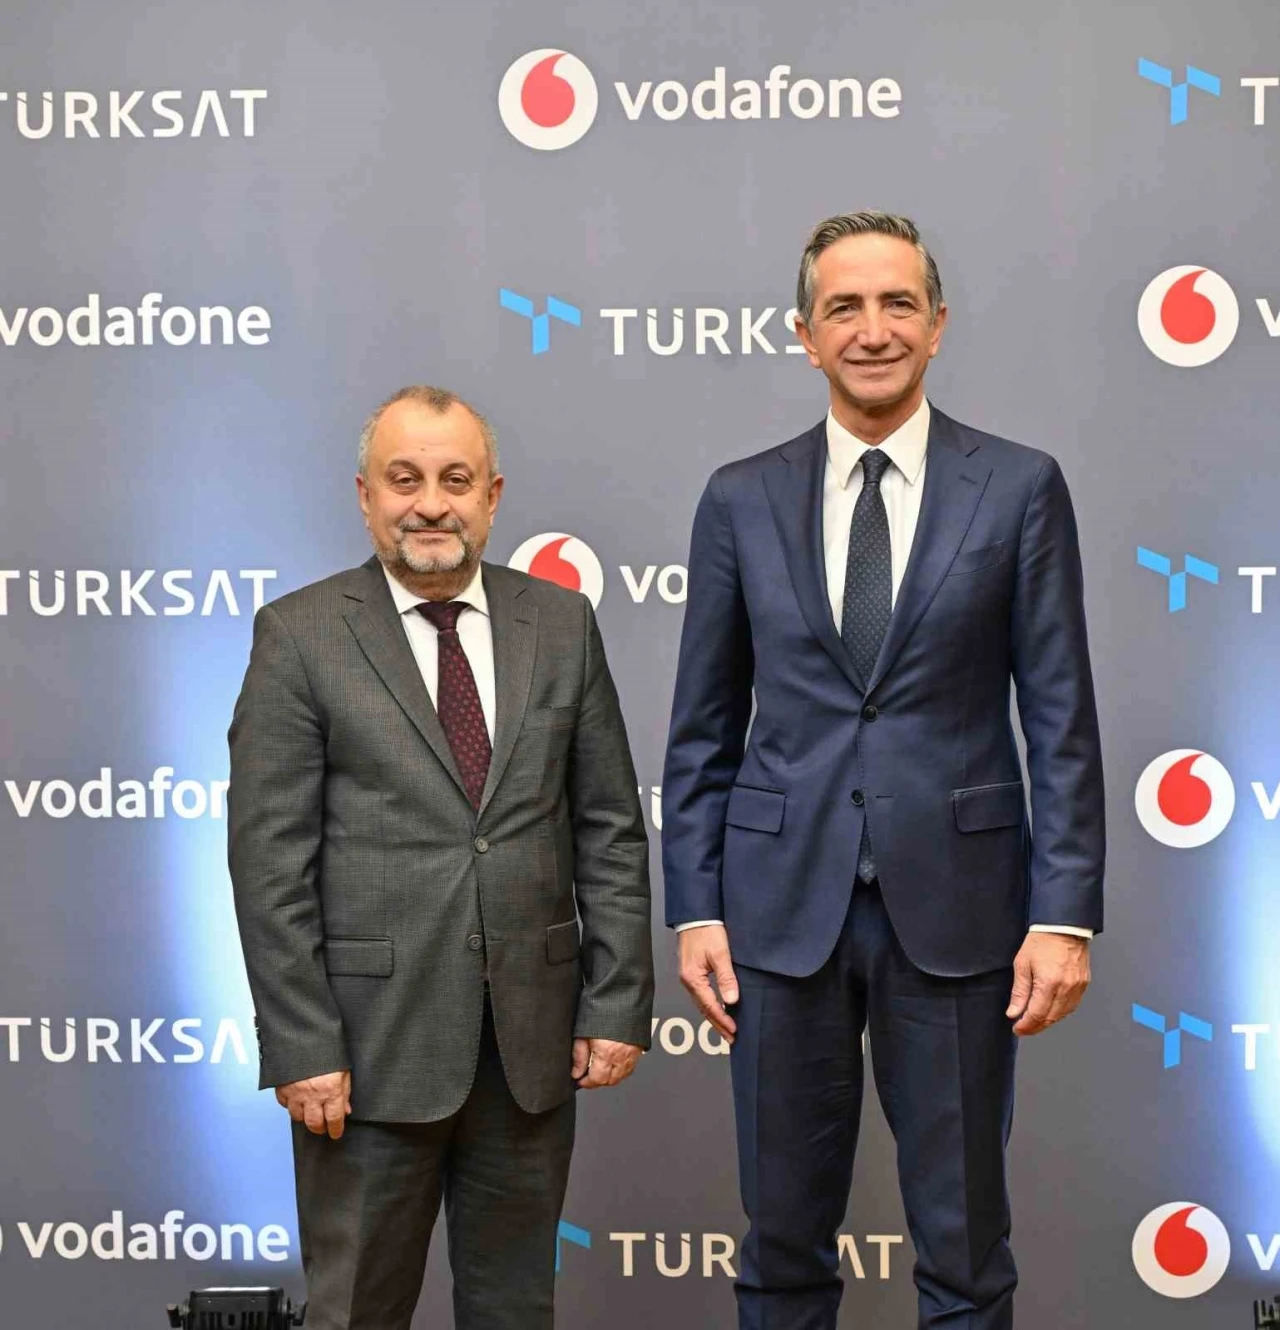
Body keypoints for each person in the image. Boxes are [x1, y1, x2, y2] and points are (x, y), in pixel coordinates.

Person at [662, 212, 1104, 1329]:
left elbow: (1059, 717)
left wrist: (1063, 914)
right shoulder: (738, 497)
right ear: (803, 334)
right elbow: (702, 728)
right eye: (843, 307)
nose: (872, 330)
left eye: (897, 303)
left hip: (959, 912)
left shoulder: (1017, 487)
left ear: (938, 324)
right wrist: (695, 908)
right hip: (775, 919)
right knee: (779, 1247)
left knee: (964, 1247)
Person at [228, 385, 654, 1330]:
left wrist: (616, 999)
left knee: (514, 1312)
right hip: (364, 1057)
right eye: (404, 480)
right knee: (356, 1311)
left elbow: (610, 827)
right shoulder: (299, 635)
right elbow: (268, 867)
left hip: (528, 1049)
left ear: (493, 496)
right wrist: (302, 1044)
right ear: (365, 496)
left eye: (456, 481)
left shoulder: (562, 624)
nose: (431, 504)